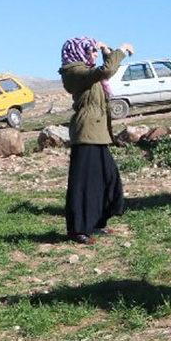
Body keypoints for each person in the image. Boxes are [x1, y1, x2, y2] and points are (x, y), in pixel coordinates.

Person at [59, 37, 133, 245]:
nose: (93, 53)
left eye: (94, 51)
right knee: (83, 185)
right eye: (90, 50)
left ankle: (97, 222)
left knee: (107, 179)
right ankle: (78, 229)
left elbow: (105, 69)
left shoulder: (88, 73)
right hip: (86, 134)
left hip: (98, 134)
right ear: (78, 52)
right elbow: (106, 70)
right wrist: (120, 50)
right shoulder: (74, 72)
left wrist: (105, 51)